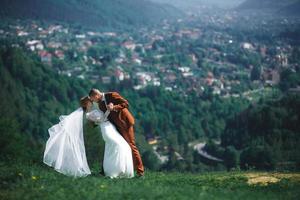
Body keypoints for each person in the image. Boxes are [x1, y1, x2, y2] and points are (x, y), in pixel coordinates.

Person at [88, 89, 145, 177]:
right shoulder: (100, 105)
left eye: (93, 99)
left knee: (131, 146)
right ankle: (108, 170)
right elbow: (105, 117)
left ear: (96, 95)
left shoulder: (112, 95)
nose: (93, 101)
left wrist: (114, 107)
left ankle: (140, 172)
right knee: (113, 146)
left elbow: (126, 103)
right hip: (116, 127)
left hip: (125, 123)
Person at [81, 96, 134, 178]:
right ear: (86, 104)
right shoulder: (88, 115)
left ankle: (122, 170)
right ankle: (113, 171)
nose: (91, 102)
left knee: (124, 146)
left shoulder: (93, 110)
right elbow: (102, 119)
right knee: (117, 146)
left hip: (111, 128)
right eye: (89, 101)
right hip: (106, 130)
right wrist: (109, 109)